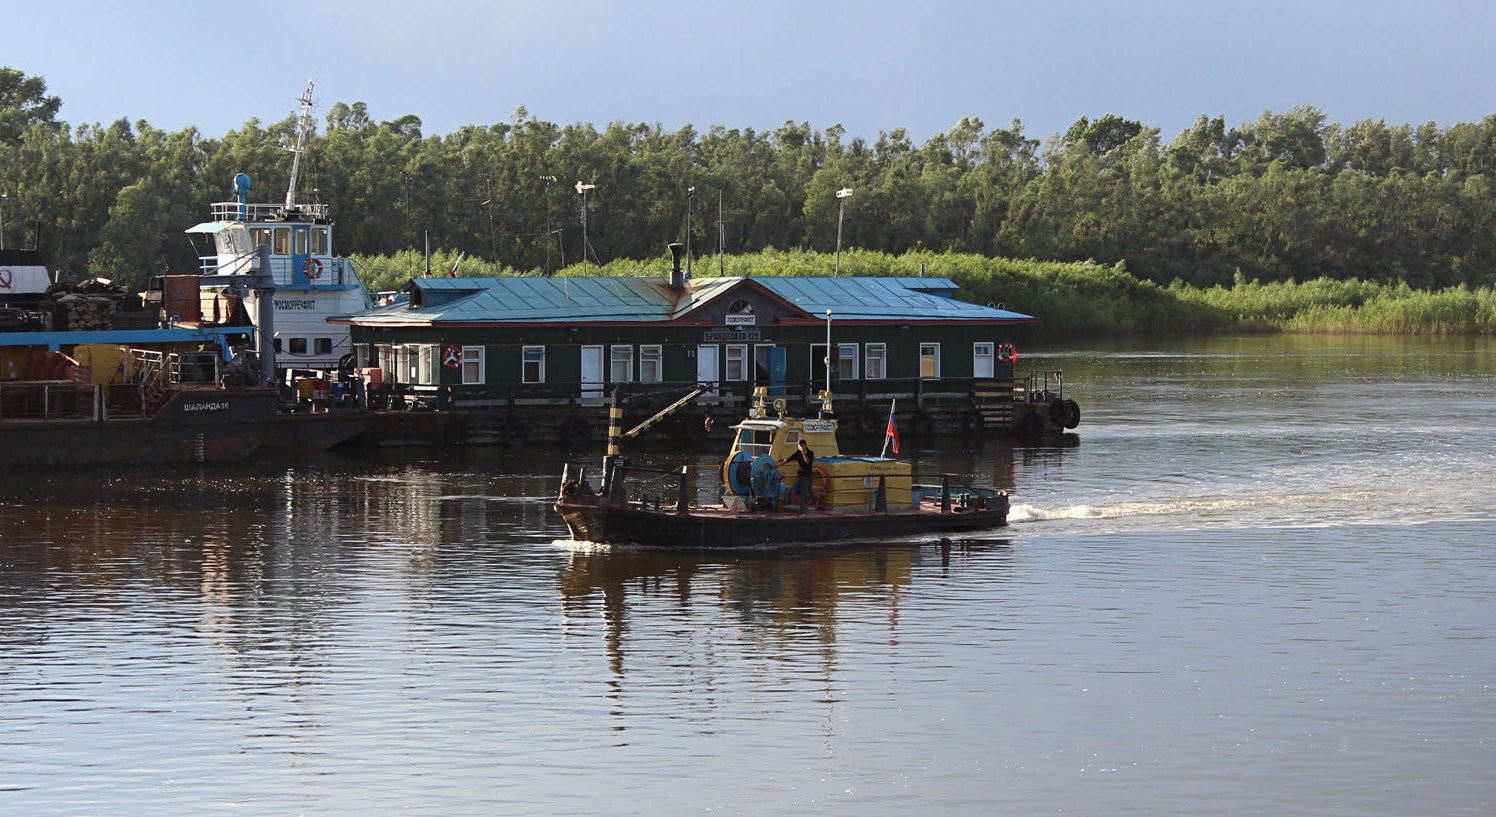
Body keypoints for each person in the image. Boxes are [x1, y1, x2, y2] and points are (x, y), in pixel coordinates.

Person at [780, 438, 816, 512]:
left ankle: (804, 509)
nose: (800, 447)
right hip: (800, 475)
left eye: (802, 446)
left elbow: (807, 462)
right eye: (799, 446)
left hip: (808, 475)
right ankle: (805, 501)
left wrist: (803, 453)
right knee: (795, 490)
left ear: (805, 446)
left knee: (805, 492)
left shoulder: (810, 453)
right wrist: (779, 465)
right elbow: (788, 459)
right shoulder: (798, 453)